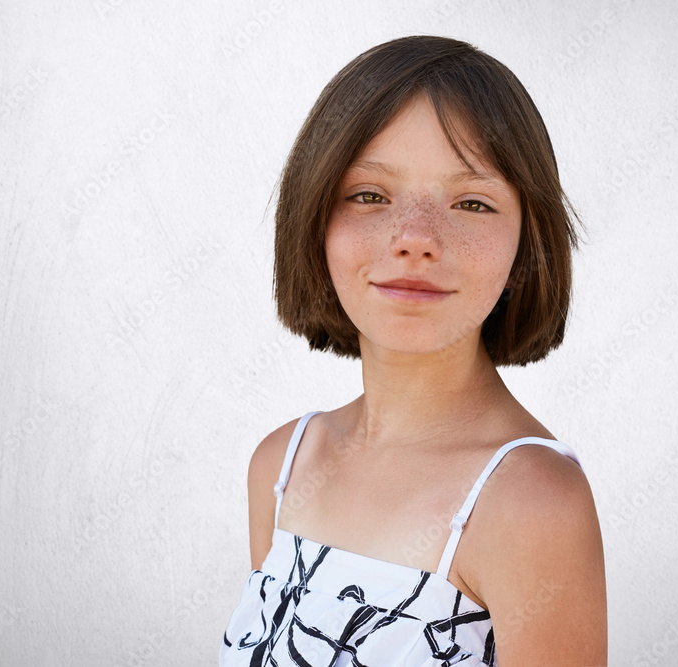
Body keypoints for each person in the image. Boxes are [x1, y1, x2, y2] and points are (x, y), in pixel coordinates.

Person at [220, 35, 607, 666]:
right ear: (314, 216)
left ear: (525, 246)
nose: (416, 239)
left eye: (472, 202)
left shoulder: (531, 499)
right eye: (370, 194)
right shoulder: (282, 465)